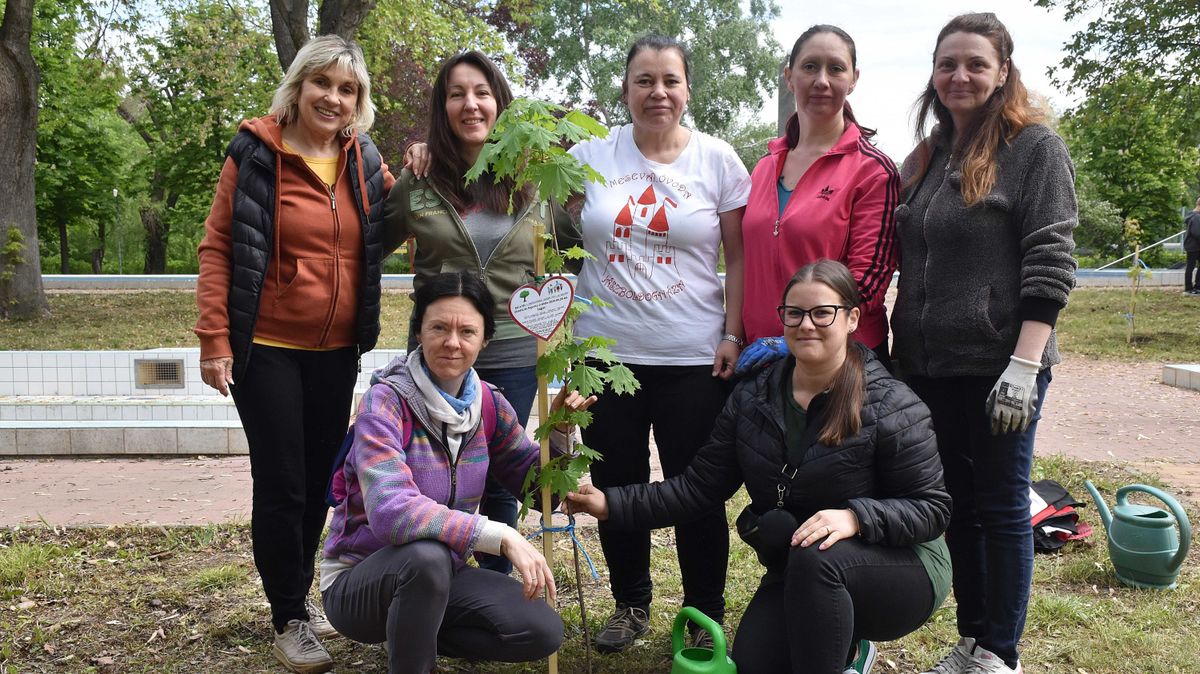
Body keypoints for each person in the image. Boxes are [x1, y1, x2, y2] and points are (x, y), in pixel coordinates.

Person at [565, 259, 952, 674]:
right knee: (752, 663)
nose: (807, 325)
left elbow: (931, 509)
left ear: (852, 318)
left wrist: (856, 517)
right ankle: (843, 644)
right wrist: (610, 503)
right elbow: (698, 489)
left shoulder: (891, 403)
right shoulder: (753, 398)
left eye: (823, 313)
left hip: (901, 567)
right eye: (794, 313)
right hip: (802, 567)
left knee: (818, 560)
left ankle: (841, 653)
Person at [194, 35, 394, 674]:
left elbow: (409, 220)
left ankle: (300, 598)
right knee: (282, 481)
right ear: (299, 86)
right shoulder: (256, 152)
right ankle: (290, 616)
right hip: (269, 346)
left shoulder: (363, 160)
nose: (333, 99)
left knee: (316, 483)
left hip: (336, 350)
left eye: (348, 90)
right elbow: (218, 246)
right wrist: (214, 338)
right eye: (323, 85)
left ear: (358, 102)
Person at [891, 13, 1078, 674]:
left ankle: (1001, 653)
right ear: (934, 75)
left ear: (1003, 72)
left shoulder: (1034, 148)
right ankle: (972, 640)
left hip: (1001, 364)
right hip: (928, 365)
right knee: (959, 508)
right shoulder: (933, 154)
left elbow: (1051, 259)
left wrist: (1025, 366)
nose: (960, 76)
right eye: (948, 64)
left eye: (975, 63)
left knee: (1001, 505)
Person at [565, 33, 751, 652]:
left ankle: (703, 614)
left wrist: (732, 331)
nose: (658, 92)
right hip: (603, 357)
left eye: (670, 80)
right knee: (613, 486)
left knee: (695, 488)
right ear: (625, 89)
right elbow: (519, 181)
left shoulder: (718, 160)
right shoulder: (592, 153)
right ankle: (631, 603)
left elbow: (740, 256)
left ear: (687, 89)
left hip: (694, 357)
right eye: (644, 80)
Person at [320, 271, 595, 674]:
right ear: (418, 333)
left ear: (484, 340)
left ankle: (412, 629)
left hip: (441, 576)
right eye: (438, 328)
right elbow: (392, 513)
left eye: (467, 331)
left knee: (540, 629)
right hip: (359, 581)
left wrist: (560, 434)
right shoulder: (386, 403)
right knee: (425, 557)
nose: (452, 342)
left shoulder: (486, 404)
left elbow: (534, 484)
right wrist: (499, 535)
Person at [384, 51, 581, 575]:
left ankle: (489, 589)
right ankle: (431, 584)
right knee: (430, 474)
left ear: (500, 103)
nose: (470, 104)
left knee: (499, 478)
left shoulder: (537, 181)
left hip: (516, 354)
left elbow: (578, 252)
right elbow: (362, 249)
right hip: (436, 355)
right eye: (456, 94)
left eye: (481, 92)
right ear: (441, 106)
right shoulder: (417, 182)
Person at [737, 25, 898, 374]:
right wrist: (734, 336)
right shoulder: (764, 167)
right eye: (810, 67)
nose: (821, 80)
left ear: (853, 79)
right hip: (760, 359)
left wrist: (795, 335)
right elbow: (746, 264)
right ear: (790, 77)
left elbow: (867, 282)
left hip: (840, 364)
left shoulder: (872, 170)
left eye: (835, 68)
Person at [1184, 197, 1200, 295]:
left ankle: (1194, 287)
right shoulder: (1196, 217)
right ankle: (1190, 288)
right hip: (1194, 246)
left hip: (1193, 245)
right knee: (1190, 266)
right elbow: (1197, 233)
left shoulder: (1192, 215)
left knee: (1190, 266)